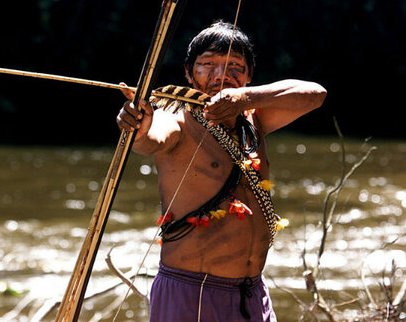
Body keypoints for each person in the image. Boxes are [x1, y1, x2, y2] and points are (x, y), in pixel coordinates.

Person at [116, 21, 326, 322]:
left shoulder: (252, 118)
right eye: (208, 64)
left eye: (235, 65)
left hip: (252, 291)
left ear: (249, 75)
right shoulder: (176, 119)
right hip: (194, 291)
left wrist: (247, 98)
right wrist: (138, 125)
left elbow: (315, 94)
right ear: (189, 72)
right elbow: (150, 140)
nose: (222, 74)